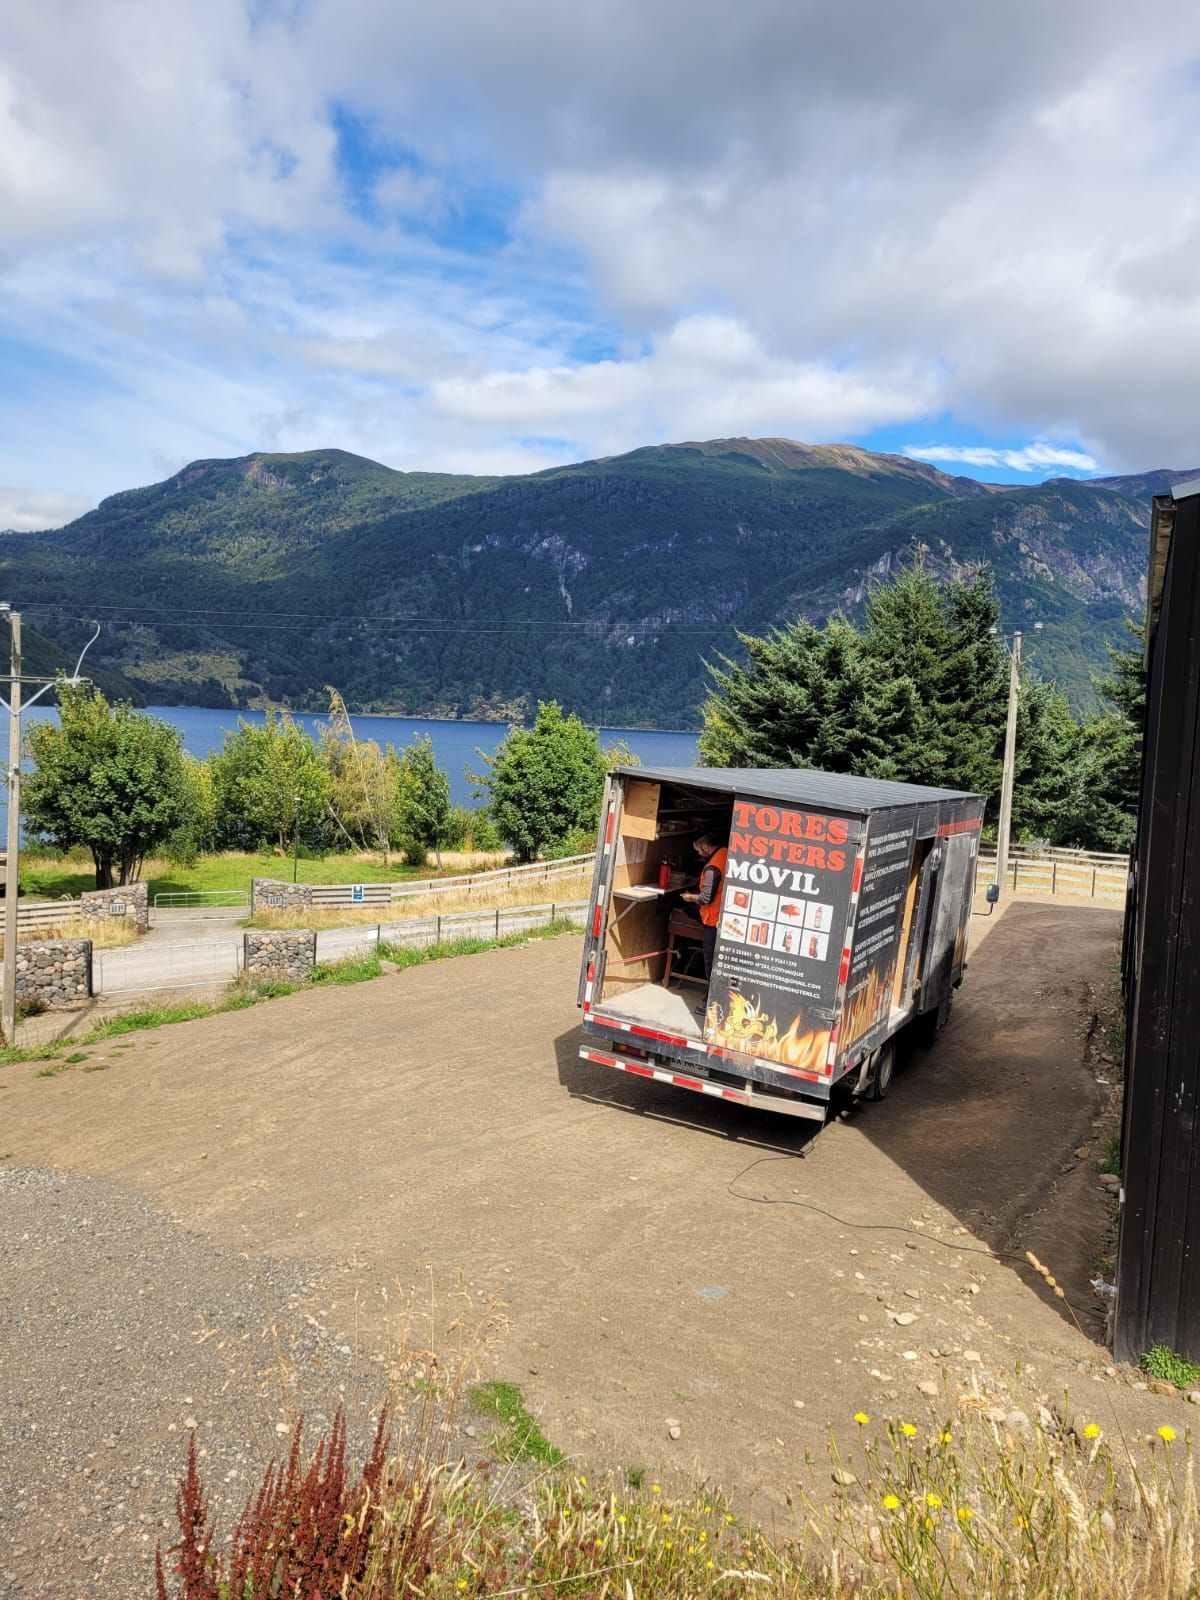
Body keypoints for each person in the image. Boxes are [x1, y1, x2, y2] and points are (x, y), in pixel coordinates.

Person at [681, 833, 727, 977]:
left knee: (710, 959)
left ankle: (710, 995)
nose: (699, 854)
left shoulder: (712, 868)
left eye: (699, 850)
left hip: (713, 920)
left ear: (706, 847)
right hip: (725, 918)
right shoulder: (725, 853)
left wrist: (689, 897)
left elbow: (706, 898)